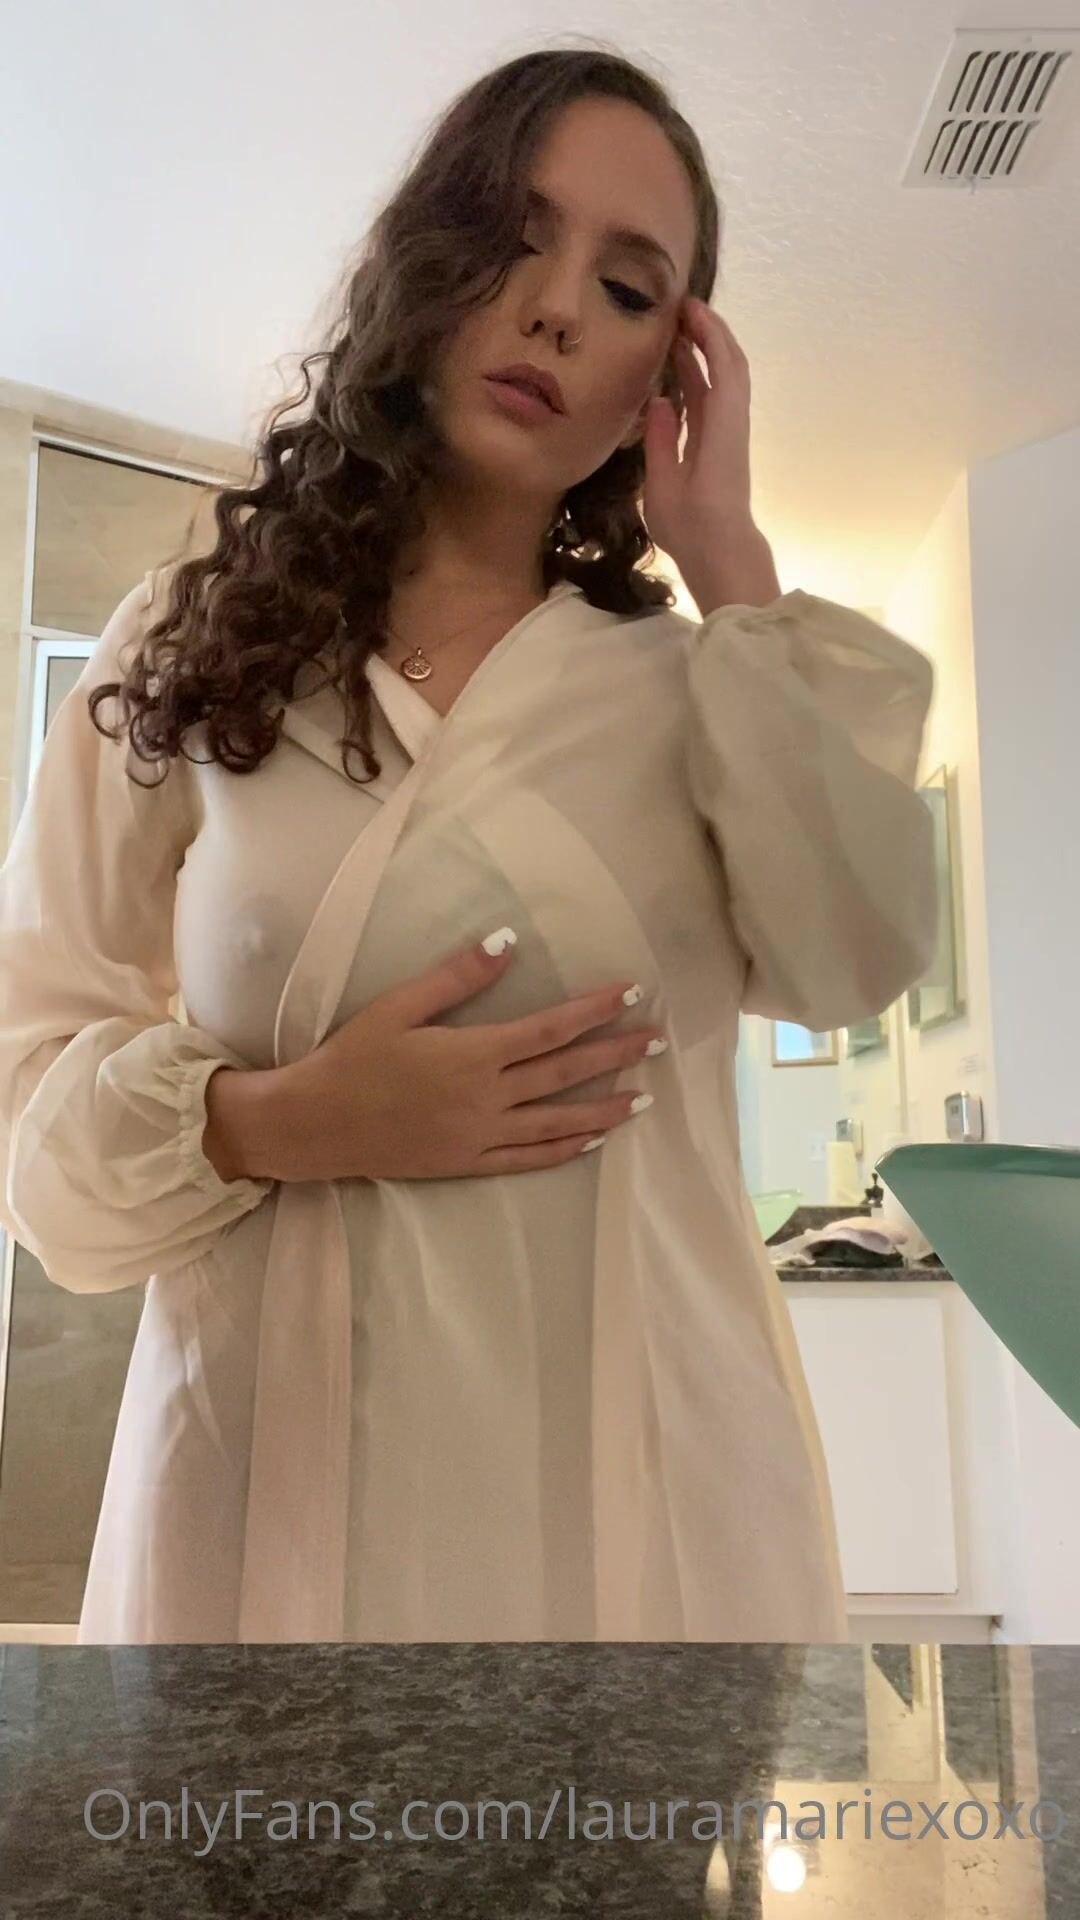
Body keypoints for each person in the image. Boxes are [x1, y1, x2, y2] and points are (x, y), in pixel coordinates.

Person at [0, 46, 938, 1645]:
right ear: (421, 264)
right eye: (513, 238)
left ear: (668, 374)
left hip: (643, 1542)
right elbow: (35, 1127)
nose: (558, 309)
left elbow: (855, 959)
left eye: (628, 290)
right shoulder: (188, 643)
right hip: (258, 1534)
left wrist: (732, 562)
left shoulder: (702, 688)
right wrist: (279, 1122)